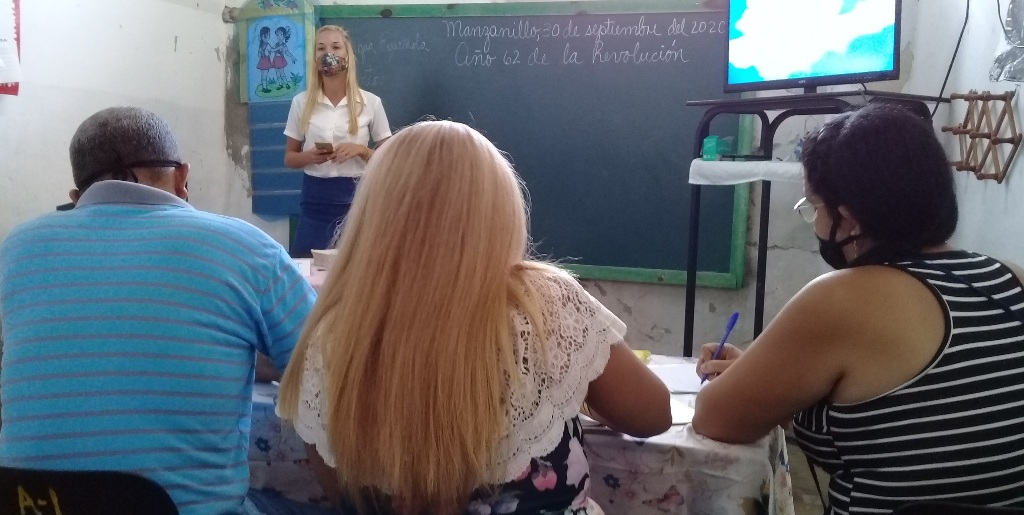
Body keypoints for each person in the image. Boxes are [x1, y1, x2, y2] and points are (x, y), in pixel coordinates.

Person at [276, 120, 671, 515]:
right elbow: (654, 414)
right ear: (500, 210)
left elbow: (338, 491)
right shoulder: (544, 304)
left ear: (372, 213)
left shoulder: (329, 332)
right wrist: (575, 388)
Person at [691, 103, 1024, 513]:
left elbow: (713, 418)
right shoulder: (1010, 278)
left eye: (814, 208)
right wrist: (769, 379)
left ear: (848, 220)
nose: (815, 223)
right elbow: (913, 423)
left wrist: (752, 385)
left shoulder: (843, 299)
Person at [0, 107, 324, 515]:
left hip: (34, 505)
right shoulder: (246, 248)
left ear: (76, 198)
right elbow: (327, 374)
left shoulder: (17, 248)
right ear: (183, 177)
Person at [284, 24, 391, 257]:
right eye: (320, 48)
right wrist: (309, 156)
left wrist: (362, 150)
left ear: (347, 55)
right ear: (314, 58)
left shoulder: (371, 103)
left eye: (335, 46)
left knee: (357, 268)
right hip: (315, 201)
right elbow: (290, 158)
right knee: (306, 268)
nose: (328, 53)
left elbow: (389, 159)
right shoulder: (301, 103)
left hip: (357, 200)